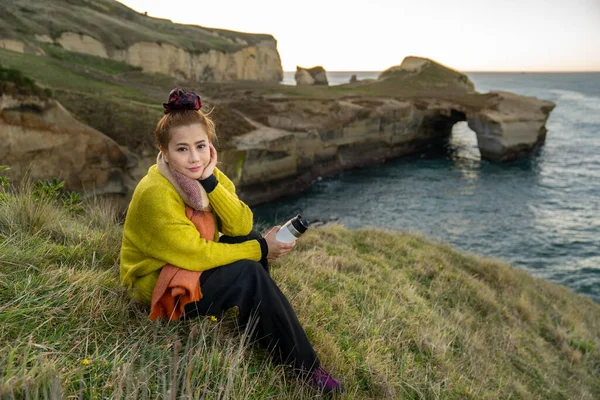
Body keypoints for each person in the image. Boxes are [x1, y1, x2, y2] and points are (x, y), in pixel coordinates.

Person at [119, 88, 343, 394]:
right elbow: (196, 255)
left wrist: (211, 181)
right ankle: (306, 370)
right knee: (248, 268)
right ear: (164, 151)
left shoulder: (202, 175)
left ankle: (256, 323)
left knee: (247, 238)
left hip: (184, 268)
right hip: (160, 286)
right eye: (182, 149)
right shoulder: (155, 192)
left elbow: (241, 223)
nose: (195, 157)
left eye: (200, 145)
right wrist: (262, 249)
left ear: (210, 145)